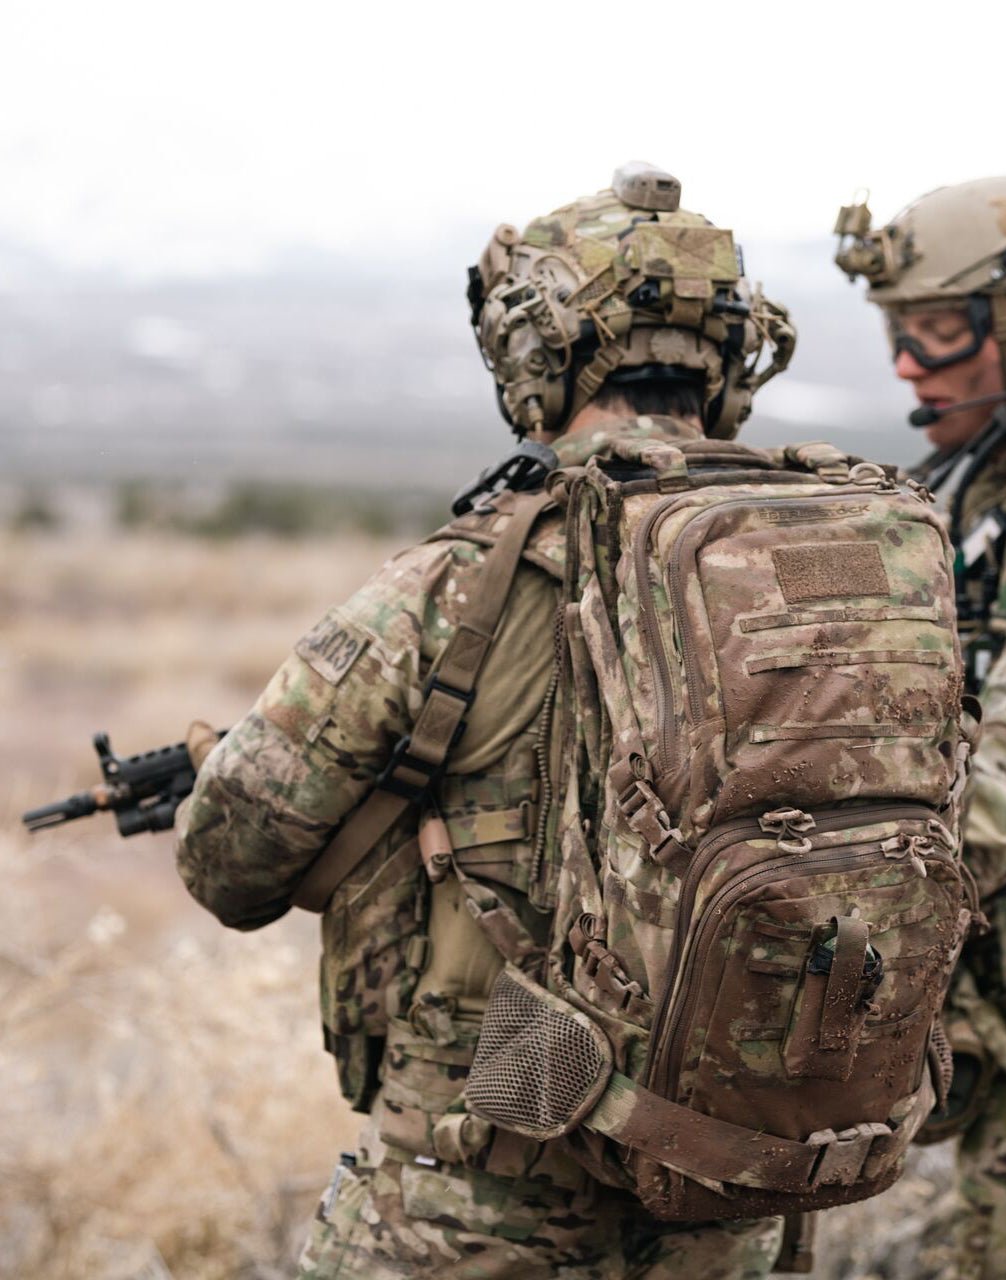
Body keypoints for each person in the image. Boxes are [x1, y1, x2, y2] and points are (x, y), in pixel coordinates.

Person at [171, 164, 801, 1279]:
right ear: (733, 356)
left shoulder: (465, 579)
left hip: (476, 1199)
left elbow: (231, 862)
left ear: (533, 357)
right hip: (720, 1197)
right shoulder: (816, 568)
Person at [835, 176, 1006, 1280]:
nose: (909, 365)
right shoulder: (973, 489)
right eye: (896, 333)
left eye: (940, 328)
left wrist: (847, 891)